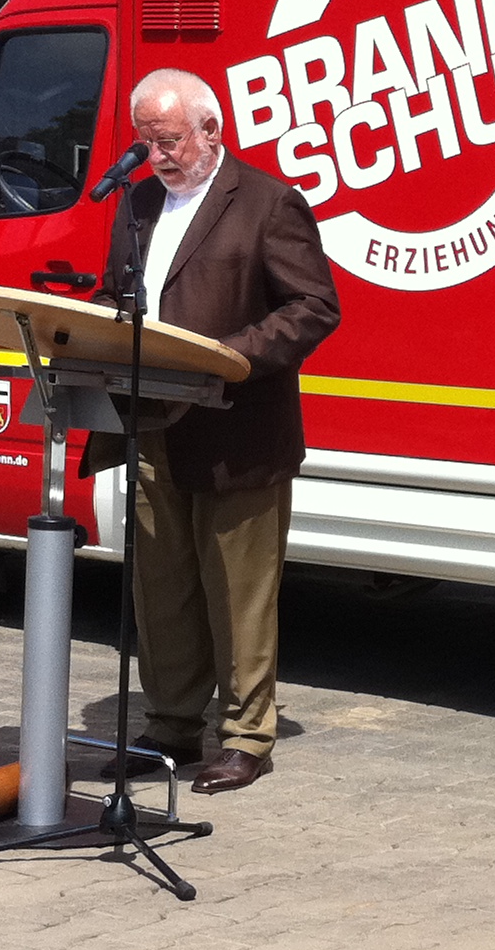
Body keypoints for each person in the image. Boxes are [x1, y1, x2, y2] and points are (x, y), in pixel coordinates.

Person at [98, 69, 340, 795]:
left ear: (211, 129)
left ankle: (245, 736)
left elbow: (313, 306)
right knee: (162, 590)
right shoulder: (139, 203)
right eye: (145, 141)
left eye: (168, 140)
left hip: (238, 431)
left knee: (239, 594)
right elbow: (122, 293)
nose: (156, 156)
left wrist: (231, 357)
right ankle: (171, 724)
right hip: (153, 425)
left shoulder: (267, 202)